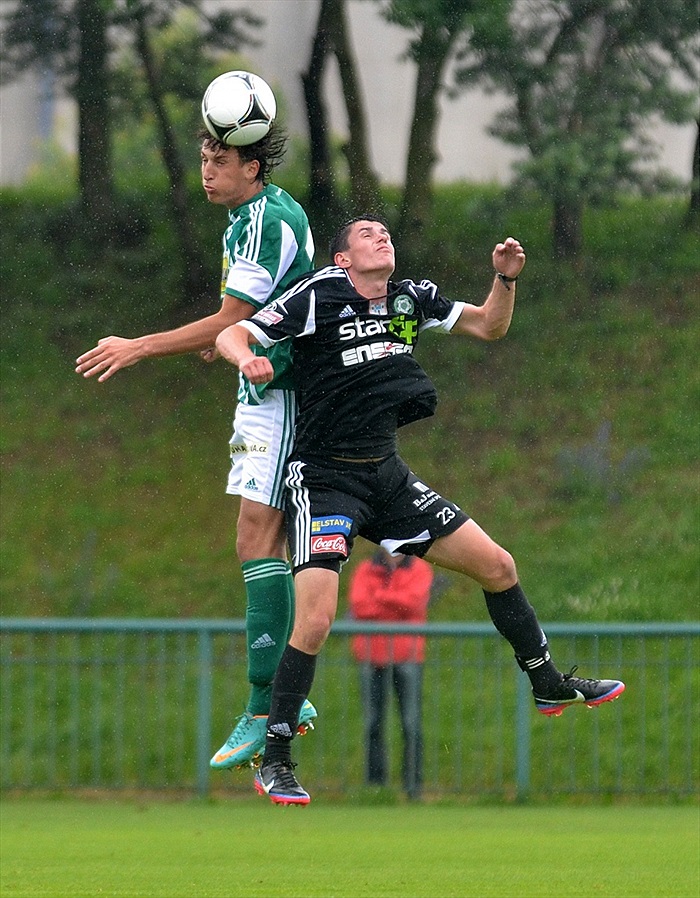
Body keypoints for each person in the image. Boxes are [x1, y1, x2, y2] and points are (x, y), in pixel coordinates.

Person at [214, 216, 626, 805]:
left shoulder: (411, 296)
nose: (380, 237)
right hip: (325, 480)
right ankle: (275, 760)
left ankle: (548, 682)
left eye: (384, 231)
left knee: (498, 566)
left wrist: (504, 280)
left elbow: (488, 326)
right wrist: (245, 357)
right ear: (342, 260)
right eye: (365, 234)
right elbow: (235, 334)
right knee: (316, 620)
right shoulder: (318, 294)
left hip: (385, 477)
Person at [74, 120, 318, 769]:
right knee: (258, 541)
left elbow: (237, 318)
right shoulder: (243, 220)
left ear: (254, 166)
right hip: (259, 389)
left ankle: (270, 703)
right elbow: (252, 316)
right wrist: (229, 340)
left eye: (220, 159)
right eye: (204, 157)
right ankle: (284, 693)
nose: (207, 169)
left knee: (258, 538)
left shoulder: (269, 218)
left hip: (283, 390)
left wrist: (140, 346)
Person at [348, 548, 435, 799]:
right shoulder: (365, 569)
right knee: (373, 723)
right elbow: (359, 605)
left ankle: (413, 787)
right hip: (371, 654)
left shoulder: (418, 568)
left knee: (411, 723)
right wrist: (396, 602)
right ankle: (376, 787)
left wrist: (380, 596)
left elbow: (415, 603)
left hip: (407, 655)